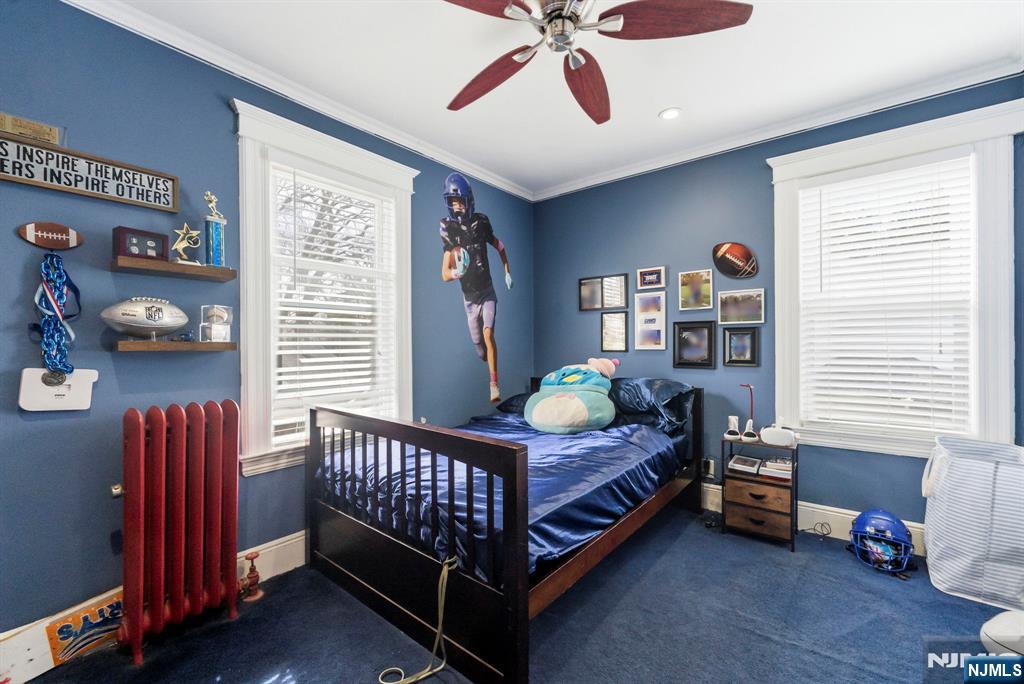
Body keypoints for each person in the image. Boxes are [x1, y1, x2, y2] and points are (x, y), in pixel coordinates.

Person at [439, 172, 513, 403]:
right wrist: (456, 272)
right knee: (480, 349)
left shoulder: (481, 222)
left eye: (460, 201)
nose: (457, 206)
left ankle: (494, 385)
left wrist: (507, 271)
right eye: (453, 202)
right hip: (469, 299)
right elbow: (444, 274)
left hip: (487, 291)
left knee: (489, 334)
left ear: (468, 200)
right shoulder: (447, 227)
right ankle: (485, 355)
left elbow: (499, 246)